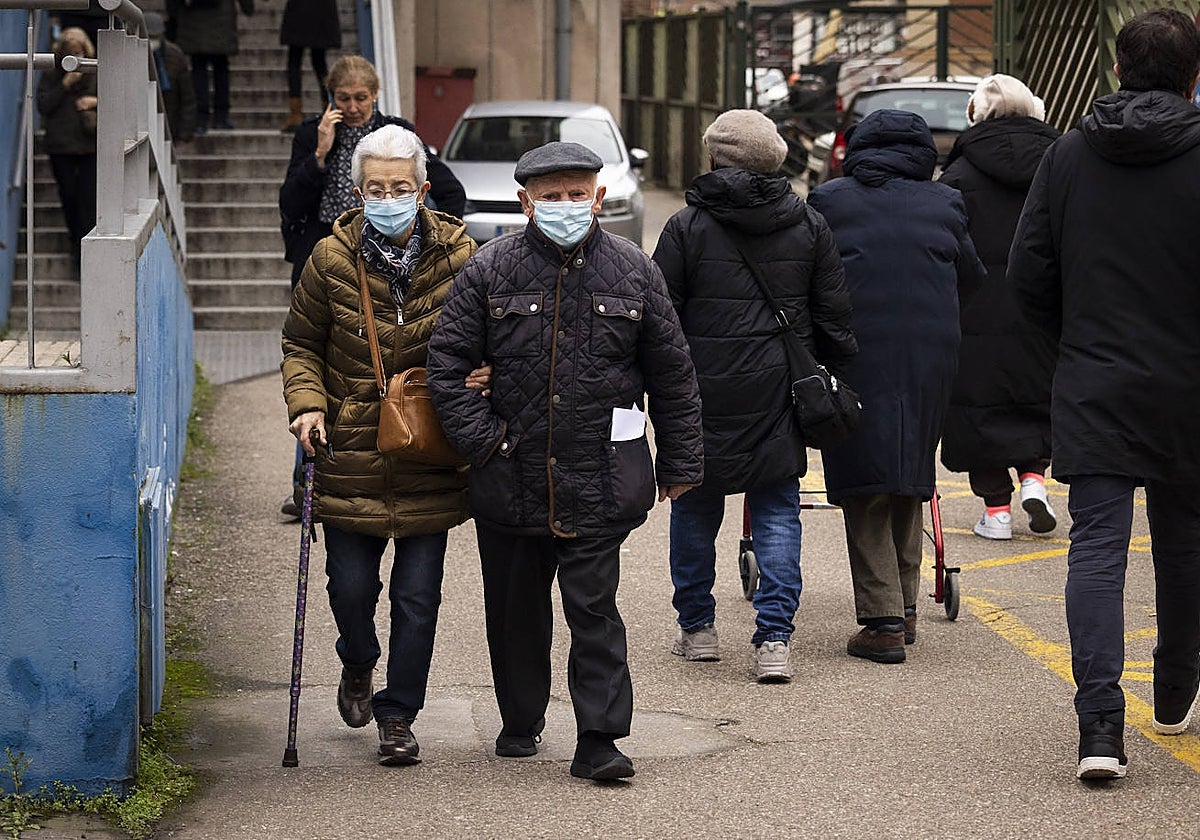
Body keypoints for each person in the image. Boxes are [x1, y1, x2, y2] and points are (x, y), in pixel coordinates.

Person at [426, 141, 704, 781]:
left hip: (599, 478)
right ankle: (521, 720)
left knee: (595, 611)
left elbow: (673, 375)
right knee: (516, 612)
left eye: (577, 193)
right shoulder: (488, 271)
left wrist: (682, 461)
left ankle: (600, 739)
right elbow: (447, 370)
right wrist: (489, 441)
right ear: (526, 202)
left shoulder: (635, 271)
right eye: (551, 196)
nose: (565, 206)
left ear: (599, 197)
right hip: (511, 475)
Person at [1009, 9, 1200, 781]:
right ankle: (1177, 685)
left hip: (1095, 378)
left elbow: (1028, 274)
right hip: (1190, 382)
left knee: (1095, 554)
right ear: (1195, 76)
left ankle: (1099, 730)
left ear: (1116, 70)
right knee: (1185, 546)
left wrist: (1078, 339)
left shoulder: (1069, 156)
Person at [281, 124, 483, 766]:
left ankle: (399, 717)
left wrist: (488, 372)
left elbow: (492, 339)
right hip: (350, 454)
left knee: (418, 600)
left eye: (401, 187)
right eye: (376, 187)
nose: (389, 196)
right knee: (351, 590)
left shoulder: (461, 259)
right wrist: (307, 404)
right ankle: (358, 660)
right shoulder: (329, 259)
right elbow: (300, 344)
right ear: (359, 190)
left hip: (430, 452)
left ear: (423, 189)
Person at [651, 110, 856, 682]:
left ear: (715, 158)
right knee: (775, 510)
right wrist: (833, 371)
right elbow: (834, 312)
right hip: (780, 389)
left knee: (694, 506)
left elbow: (659, 317)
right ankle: (774, 640)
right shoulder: (807, 223)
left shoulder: (687, 228)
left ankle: (698, 630)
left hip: (699, 390)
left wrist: (653, 384)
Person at [808, 109, 985, 666]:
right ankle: (904, 609)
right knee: (908, 470)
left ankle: (883, 621)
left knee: (864, 478)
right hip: (931, 351)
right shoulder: (946, 202)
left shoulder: (830, 200)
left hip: (856, 348)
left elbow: (808, 273)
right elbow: (973, 276)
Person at [278, 54, 466, 517]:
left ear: (375, 95)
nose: (354, 106)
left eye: (361, 98)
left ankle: (413, 472)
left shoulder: (399, 136)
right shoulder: (312, 134)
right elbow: (290, 201)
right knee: (333, 369)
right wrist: (320, 152)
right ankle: (310, 479)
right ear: (331, 98)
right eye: (344, 98)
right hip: (332, 256)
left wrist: (441, 237)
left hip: (400, 261)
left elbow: (449, 187)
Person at [938, 74, 1061, 541]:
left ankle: (997, 512)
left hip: (975, 310)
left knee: (978, 408)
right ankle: (1034, 481)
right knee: (1036, 396)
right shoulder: (1059, 164)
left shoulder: (959, 177)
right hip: (1042, 308)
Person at [37, 27, 98, 279]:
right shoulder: (52, 74)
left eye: (79, 50)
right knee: (69, 197)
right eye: (70, 50)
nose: (75, 53)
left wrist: (94, 102)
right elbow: (43, 105)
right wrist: (64, 84)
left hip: (89, 144)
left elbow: (116, 98)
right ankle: (76, 246)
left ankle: (85, 253)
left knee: (88, 200)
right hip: (60, 145)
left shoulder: (95, 71)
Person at [166, 0, 254, 134]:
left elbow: (172, 7)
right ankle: (221, 116)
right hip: (222, 20)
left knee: (198, 69)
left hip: (192, 20)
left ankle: (201, 117)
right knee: (221, 69)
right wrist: (248, 7)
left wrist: (173, 12)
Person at [278, 0, 341, 133]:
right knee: (319, 63)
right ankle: (328, 111)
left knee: (294, 62)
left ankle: (296, 114)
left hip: (300, 10)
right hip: (322, 10)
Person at [144, 12, 197, 144]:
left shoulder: (175, 55)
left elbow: (187, 95)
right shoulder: (131, 52)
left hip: (170, 118)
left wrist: (185, 131)